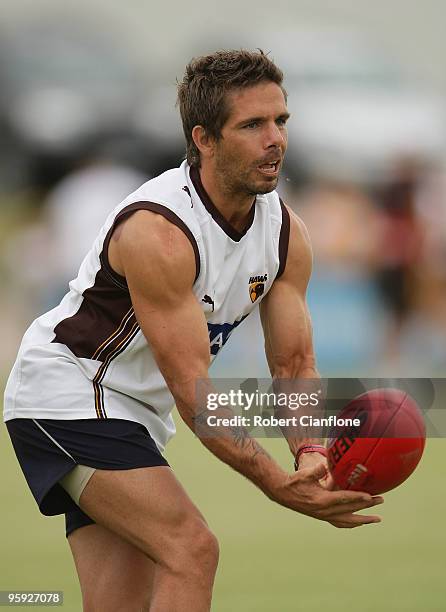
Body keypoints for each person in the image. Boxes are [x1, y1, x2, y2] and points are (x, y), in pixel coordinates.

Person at [3, 50, 383, 612]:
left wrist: (309, 451)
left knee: (118, 602)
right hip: (68, 393)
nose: (275, 138)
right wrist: (277, 483)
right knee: (192, 548)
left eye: (280, 121)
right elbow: (195, 394)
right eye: (252, 125)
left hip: (131, 414)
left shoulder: (285, 234)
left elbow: (294, 366)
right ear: (203, 138)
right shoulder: (159, 231)